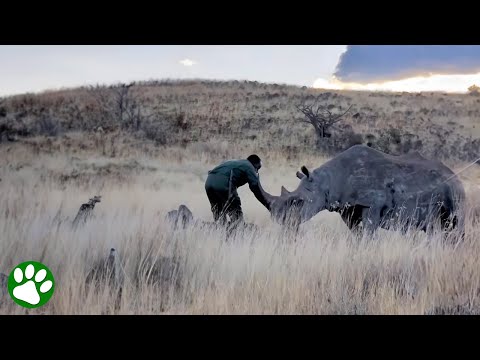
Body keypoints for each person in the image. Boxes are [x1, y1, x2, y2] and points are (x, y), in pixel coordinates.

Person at [204, 154, 270, 227]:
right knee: (235, 211)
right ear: (255, 165)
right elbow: (255, 187)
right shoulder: (249, 166)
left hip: (208, 183)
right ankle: (238, 231)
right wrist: (268, 205)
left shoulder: (237, 163)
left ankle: (220, 232)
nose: (256, 171)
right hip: (223, 183)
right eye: (258, 168)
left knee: (218, 212)